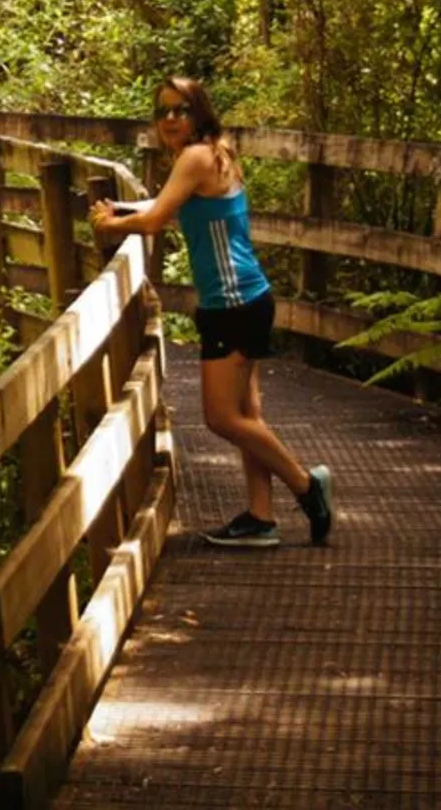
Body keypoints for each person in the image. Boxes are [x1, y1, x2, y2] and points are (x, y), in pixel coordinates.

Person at [90, 76, 334, 547]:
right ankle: (260, 519)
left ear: (198, 111)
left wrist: (109, 226)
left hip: (233, 304)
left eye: (180, 110)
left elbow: (157, 220)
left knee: (221, 418)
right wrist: (122, 207)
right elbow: (168, 203)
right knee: (248, 414)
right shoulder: (214, 151)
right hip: (247, 298)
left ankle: (307, 486)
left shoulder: (196, 157)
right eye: (162, 111)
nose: (169, 120)